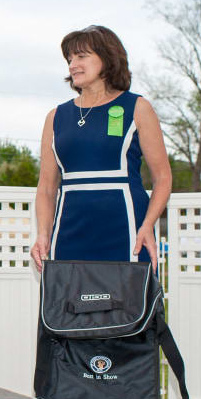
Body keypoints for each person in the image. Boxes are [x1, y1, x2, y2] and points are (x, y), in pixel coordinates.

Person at [31, 25, 171, 273]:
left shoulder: (137, 107)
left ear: (107, 59)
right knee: (70, 307)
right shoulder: (56, 117)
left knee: (129, 309)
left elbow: (162, 177)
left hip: (127, 232)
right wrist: (43, 234)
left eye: (81, 56)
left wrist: (148, 225)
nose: (73, 64)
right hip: (69, 234)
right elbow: (46, 187)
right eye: (70, 58)